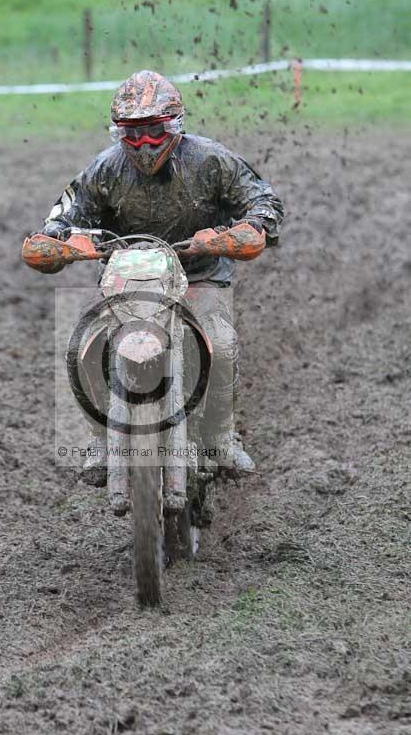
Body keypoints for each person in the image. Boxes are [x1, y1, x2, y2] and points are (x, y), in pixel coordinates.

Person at [25, 69, 284, 485]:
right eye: (132, 134)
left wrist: (239, 233)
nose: (144, 144)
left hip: (198, 273)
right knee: (81, 350)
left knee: (220, 343)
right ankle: (101, 441)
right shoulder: (104, 170)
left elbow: (262, 199)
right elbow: (60, 218)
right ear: (117, 133)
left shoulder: (210, 160)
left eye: (154, 131)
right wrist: (60, 243)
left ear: (175, 125)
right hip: (127, 279)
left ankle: (220, 437)